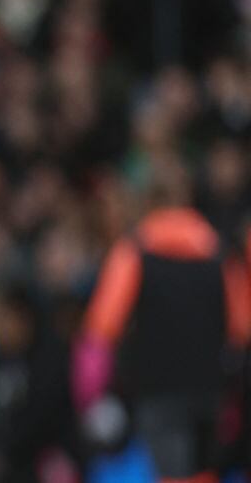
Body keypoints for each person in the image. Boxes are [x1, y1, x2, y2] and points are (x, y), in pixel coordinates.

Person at [72, 156, 251, 482]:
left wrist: (92, 400)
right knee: (203, 473)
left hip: (157, 393)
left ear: (149, 201)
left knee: (169, 473)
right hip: (212, 393)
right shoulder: (220, 255)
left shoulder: (135, 252)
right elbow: (241, 330)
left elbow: (99, 333)